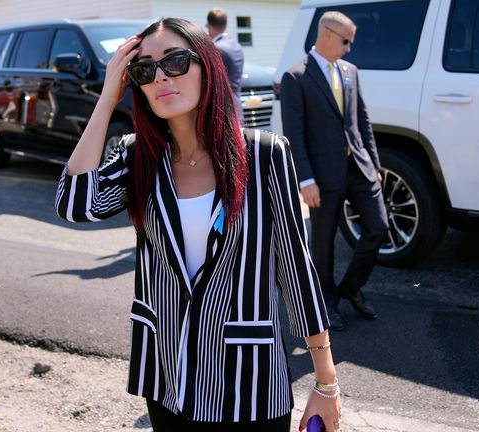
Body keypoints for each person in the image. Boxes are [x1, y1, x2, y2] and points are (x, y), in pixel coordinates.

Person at [55, 17, 342, 432]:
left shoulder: (263, 155)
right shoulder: (140, 158)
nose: (160, 77)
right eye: (144, 70)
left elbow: (295, 270)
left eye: (175, 61)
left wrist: (326, 381)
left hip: (249, 383)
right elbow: (73, 203)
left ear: (207, 66)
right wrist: (107, 97)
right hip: (169, 379)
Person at [280, 11, 389, 330]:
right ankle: (327, 302)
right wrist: (306, 180)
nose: (349, 48)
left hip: (359, 168)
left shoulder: (351, 71)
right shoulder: (296, 77)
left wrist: (375, 164)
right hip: (322, 175)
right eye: (346, 41)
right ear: (327, 34)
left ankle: (351, 288)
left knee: (378, 228)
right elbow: (294, 134)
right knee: (323, 244)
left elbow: (362, 121)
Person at [206, 7, 244, 120]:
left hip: (221, 110)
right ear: (226, 25)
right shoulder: (237, 47)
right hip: (237, 106)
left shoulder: (214, 48)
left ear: (209, 25)